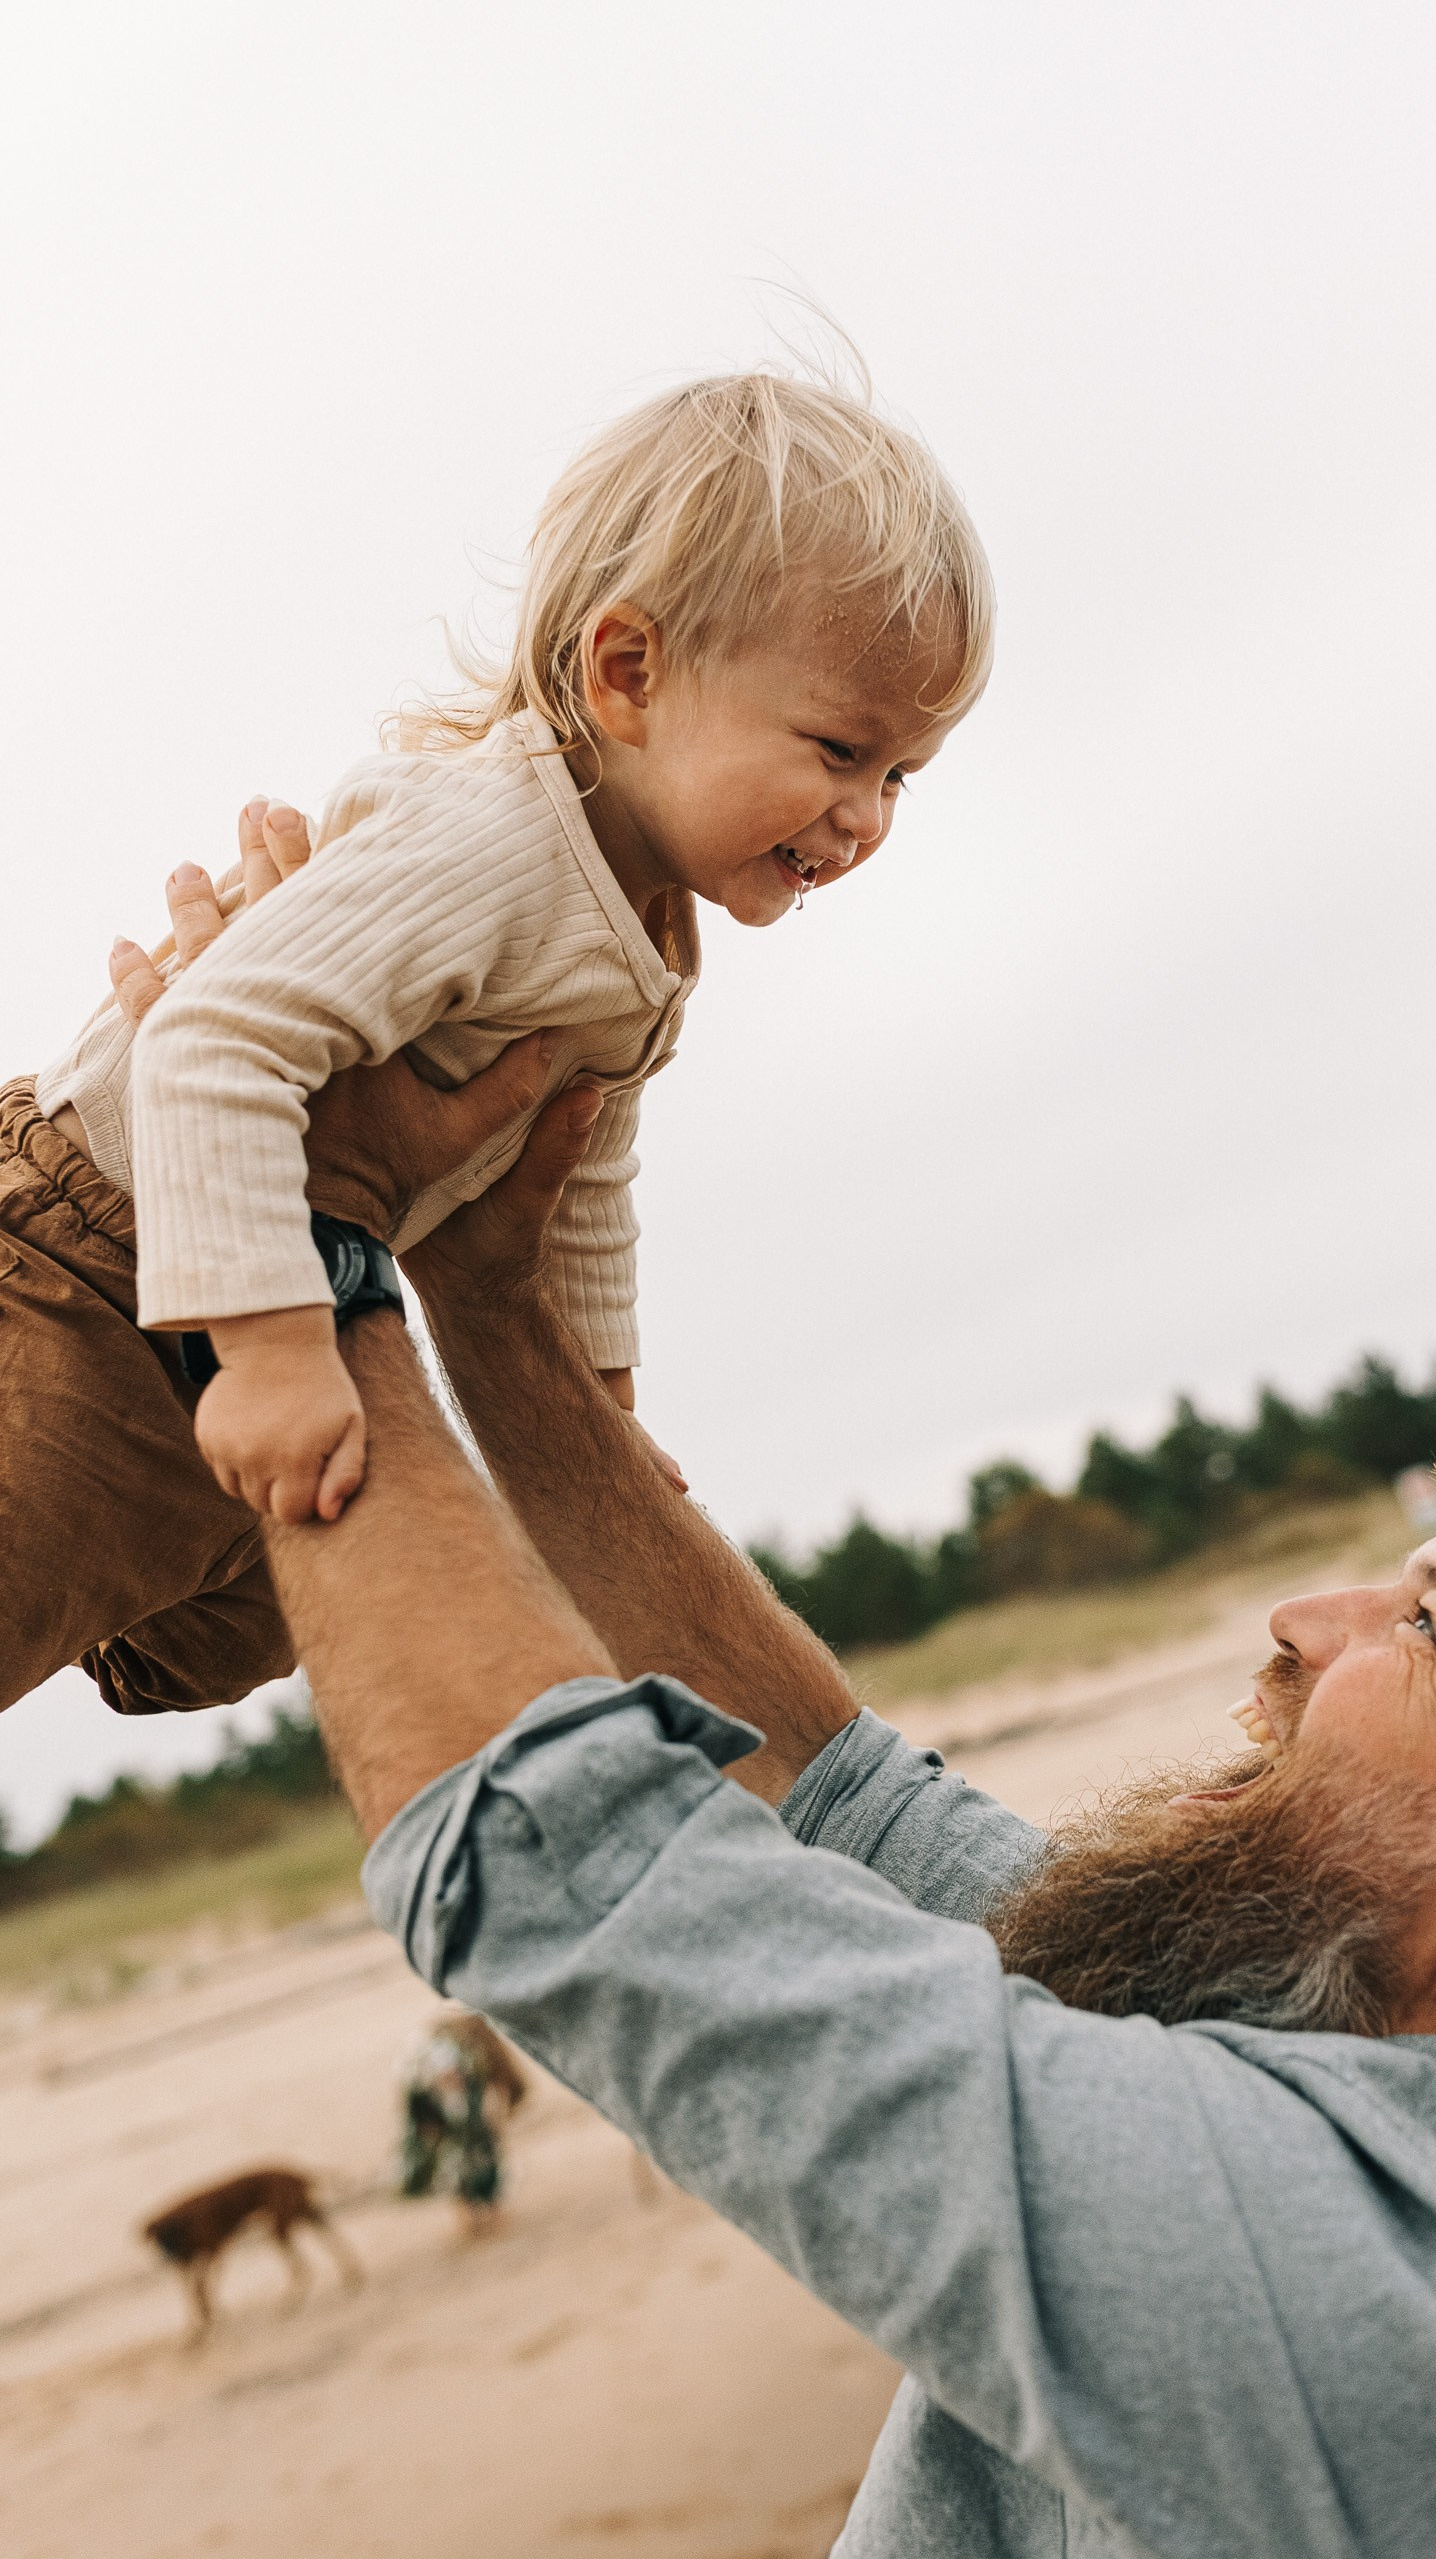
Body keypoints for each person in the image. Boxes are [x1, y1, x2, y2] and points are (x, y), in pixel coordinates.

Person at [98, 882, 1436, 2551]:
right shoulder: (1342, 2049)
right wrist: (488, 1304)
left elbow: (584, 1883)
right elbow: (847, 1802)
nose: (1304, 1619)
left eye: (1428, 1629)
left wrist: (292, 1232)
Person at [2, 367, 991, 1716]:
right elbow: (210, 1043)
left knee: (245, 1611)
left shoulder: (638, 927)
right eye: (835, 748)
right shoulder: (497, 840)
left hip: (250, 1280)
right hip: (89, 1258)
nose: (863, 816)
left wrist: (603, 1411)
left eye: (898, 777)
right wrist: (278, 1349)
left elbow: (576, 1191)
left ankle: (99, 1575)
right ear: (628, 671)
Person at [398, 2010, 527, 2237]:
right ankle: (481, 2217)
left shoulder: (433, 2046)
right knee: (470, 2166)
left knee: (461, 2167)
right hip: (452, 2117)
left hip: (446, 2117)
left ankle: (477, 2217)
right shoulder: (452, 2050)